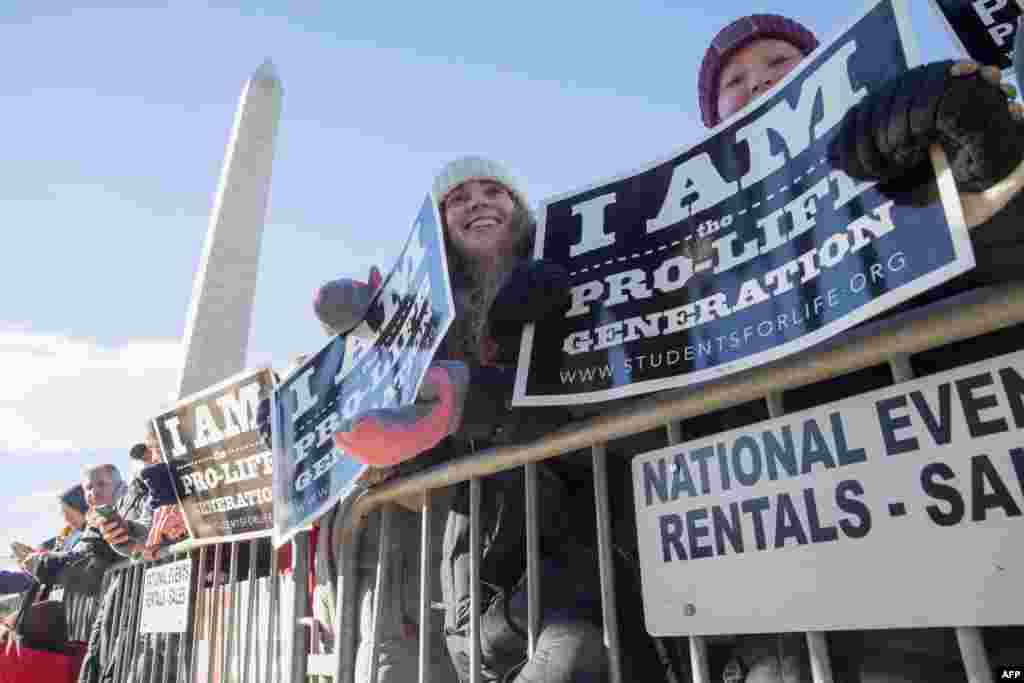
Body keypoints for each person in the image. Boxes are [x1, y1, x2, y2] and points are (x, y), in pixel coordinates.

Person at [694, 13, 1024, 682]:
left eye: (778, 65)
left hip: (978, 563)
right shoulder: (693, 252)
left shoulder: (906, 145)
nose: (757, 85)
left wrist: (979, 144)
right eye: (734, 81)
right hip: (815, 609)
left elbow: (1004, 263)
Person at [324, 155, 622, 683]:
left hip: (579, 519)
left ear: (519, 209)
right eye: (458, 198)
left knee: (573, 652)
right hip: (473, 533)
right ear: (440, 226)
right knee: (483, 659)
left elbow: (610, 385)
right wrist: (318, 420)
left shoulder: (573, 267)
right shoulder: (423, 315)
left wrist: (479, 389)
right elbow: (413, 438)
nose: (477, 203)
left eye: (493, 192)